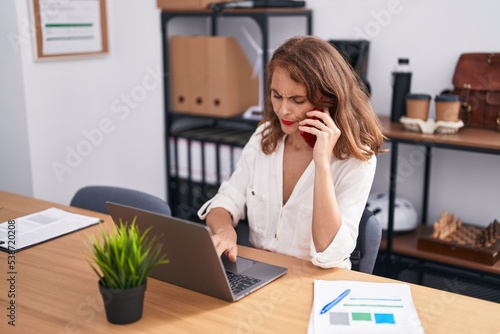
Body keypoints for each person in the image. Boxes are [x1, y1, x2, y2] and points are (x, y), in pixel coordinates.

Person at [198, 35, 386, 269]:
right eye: (277, 96)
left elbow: (330, 253)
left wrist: (322, 164)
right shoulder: (265, 137)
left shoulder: (357, 159)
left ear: (327, 101)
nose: (283, 110)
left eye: (297, 100)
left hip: (316, 282)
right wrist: (225, 231)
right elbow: (226, 201)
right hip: (261, 274)